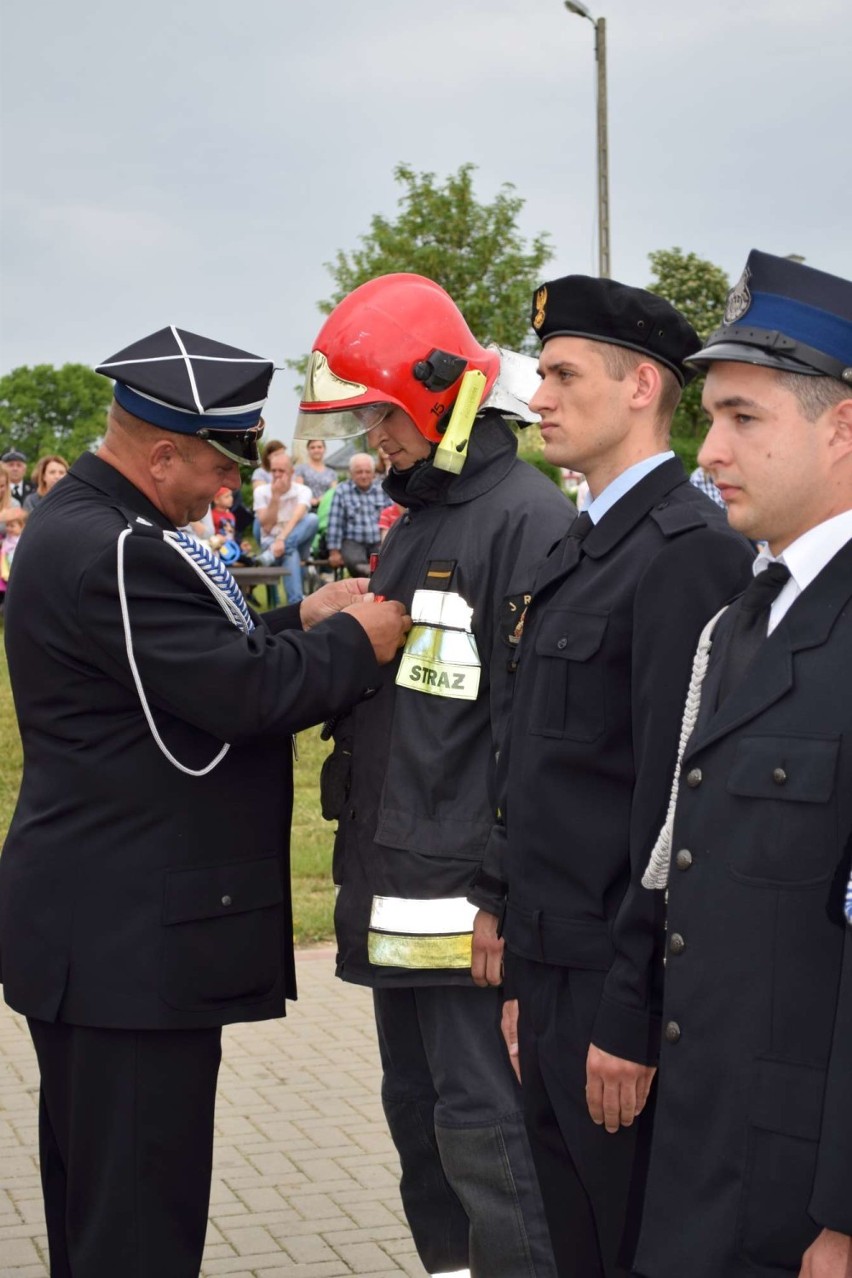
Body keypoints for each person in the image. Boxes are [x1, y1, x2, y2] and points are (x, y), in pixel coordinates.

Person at [0, 323, 409, 1278]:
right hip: (130, 943)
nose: (229, 487)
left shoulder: (99, 528)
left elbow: (171, 665)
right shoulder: (119, 548)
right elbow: (238, 697)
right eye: (219, 467)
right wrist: (360, 644)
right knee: (138, 1226)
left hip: (101, 933)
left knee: (104, 1212)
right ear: (161, 451)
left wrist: (293, 617)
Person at [468, 274, 755, 1278]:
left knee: (628, 1244)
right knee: (575, 1244)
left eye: (559, 374)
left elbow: (674, 812)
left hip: (616, 997)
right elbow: (543, 764)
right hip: (554, 978)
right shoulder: (585, 542)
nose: (536, 396)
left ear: (641, 387)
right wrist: (522, 971)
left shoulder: (686, 552)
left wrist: (628, 1015)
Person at [296, 272, 568, 1278]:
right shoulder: (419, 520)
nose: (374, 438)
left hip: (465, 913)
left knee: (486, 1135)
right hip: (396, 888)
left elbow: (529, 736)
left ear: (440, 397)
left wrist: (497, 886)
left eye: (380, 415)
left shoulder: (525, 523)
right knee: (422, 1125)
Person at [633, 250, 852, 1278]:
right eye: (708, 417)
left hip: (805, 1192)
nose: (707, 449)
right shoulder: (743, 617)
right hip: (702, 1150)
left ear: (840, 425)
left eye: (743, 418)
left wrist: (844, 1219)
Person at [254, 452, 318, 603]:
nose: (277, 475)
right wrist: (275, 497)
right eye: (274, 470)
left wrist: (282, 539)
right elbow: (267, 527)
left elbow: (296, 519)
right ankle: (296, 605)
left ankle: (272, 554)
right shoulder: (261, 492)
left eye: (281, 471)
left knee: (312, 519)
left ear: (291, 472)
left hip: (294, 542)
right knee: (290, 552)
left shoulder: (303, 491)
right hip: (272, 542)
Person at [326, 452, 391, 576]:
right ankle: (366, 581)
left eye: (367, 472)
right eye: (359, 472)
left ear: (373, 473)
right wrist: (334, 552)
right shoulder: (342, 491)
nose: (364, 476)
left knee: (388, 560)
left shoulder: (383, 489)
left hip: (379, 539)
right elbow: (335, 523)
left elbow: (393, 516)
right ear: (351, 474)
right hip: (353, 540)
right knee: (356, 564)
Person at [295, 437, 338, 509]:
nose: (316, 450)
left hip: (326, 508)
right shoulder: (301, 469)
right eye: (312, 448)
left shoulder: (332, 473)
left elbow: (333, 492)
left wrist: (321, 500)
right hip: (306, 507)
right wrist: (311, 500)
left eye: (319, 447)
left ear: (324, 449)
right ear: (308, 450)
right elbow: (299, 489)